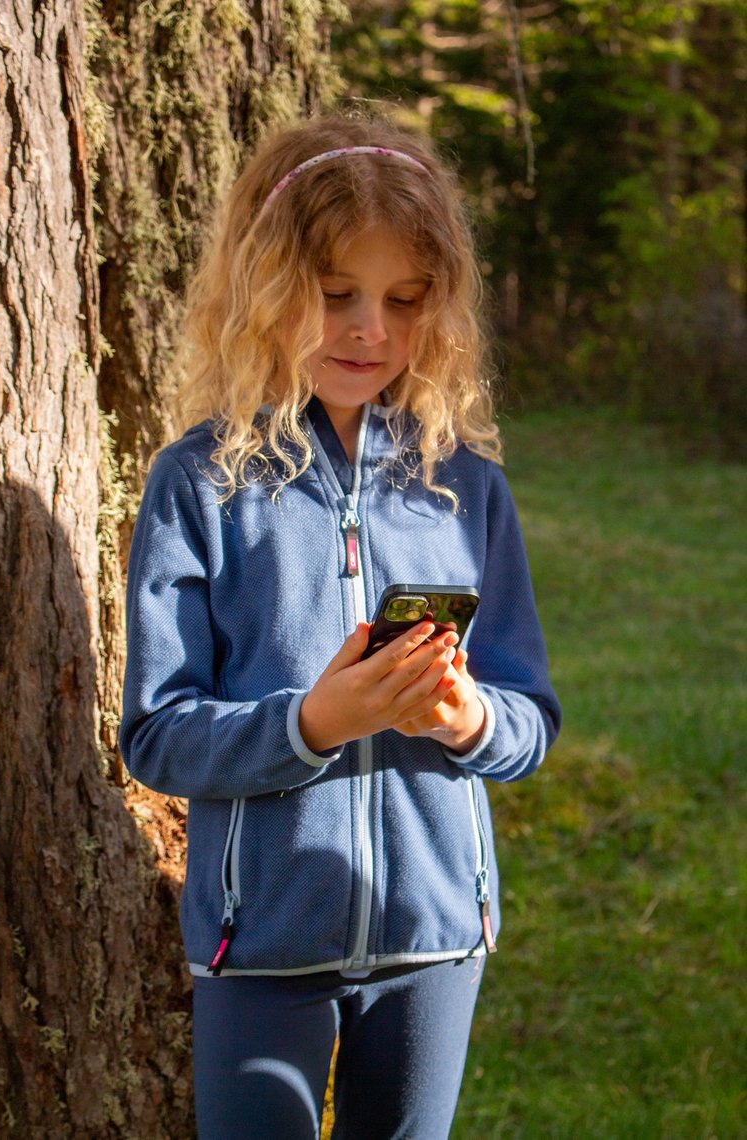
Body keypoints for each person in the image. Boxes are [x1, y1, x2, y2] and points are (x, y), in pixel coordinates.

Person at [120, 113, 561, 1140]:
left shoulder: (466, 487)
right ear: (265, 289)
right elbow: (156, 732)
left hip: (434, 940)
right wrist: (310, 722)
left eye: (404, 302)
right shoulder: (200, 483)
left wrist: (463, 720)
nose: (370, 329)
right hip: (259, 943)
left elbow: (528, 719)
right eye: (335, 296)